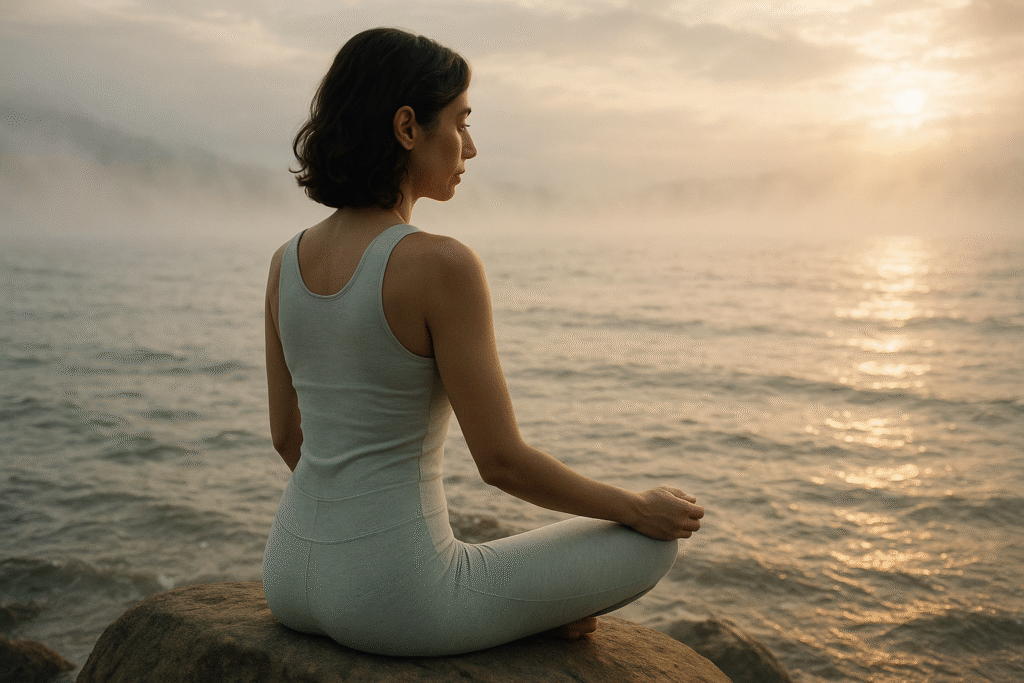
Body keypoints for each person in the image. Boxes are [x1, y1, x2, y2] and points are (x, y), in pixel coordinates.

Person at [261, 27, 705, 657]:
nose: (470, 146)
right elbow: (501, 463)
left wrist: (345, 544)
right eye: (461, 122)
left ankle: (511, 609)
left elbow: (288, 437)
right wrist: (637, 507)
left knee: (469, 555)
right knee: (648, 547)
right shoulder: (441, 264)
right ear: (408, 127)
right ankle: (520, 613)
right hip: (395, 601)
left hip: (288, 575)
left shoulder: (285, 261)